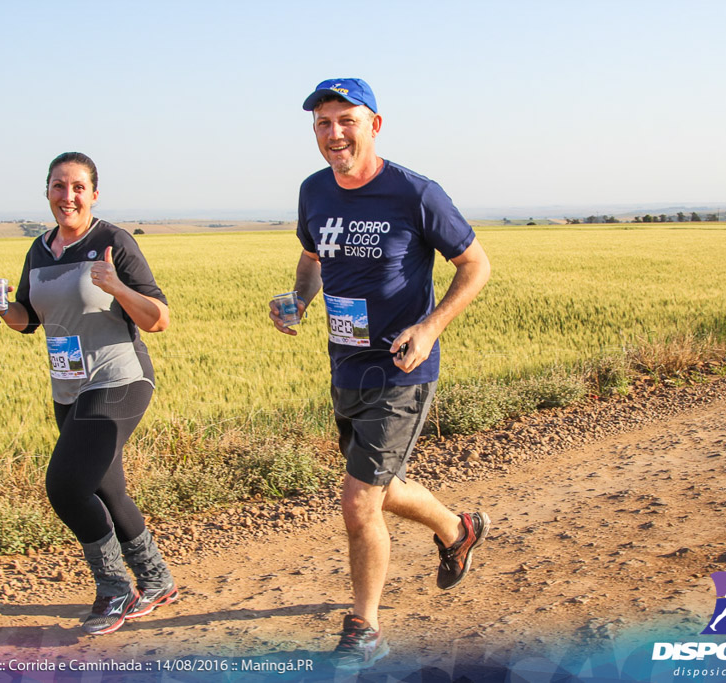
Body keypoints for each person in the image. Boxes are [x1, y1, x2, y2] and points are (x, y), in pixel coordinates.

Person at [269, 78, 492, 669]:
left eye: (346, 120)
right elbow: (314, 255)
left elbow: (476, 264)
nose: (334, 133)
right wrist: (298, 298)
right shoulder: (314, 191)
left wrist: (431, 326)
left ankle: (364, 628)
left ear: (375, 125)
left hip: (402, 369)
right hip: (345, 364)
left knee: (359, 499)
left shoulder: (415, 193)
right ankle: (457, 527)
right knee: (381, 485)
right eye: (323, 123)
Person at [0, 152, 177, 635]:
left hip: (119, 379)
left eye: (77, 187)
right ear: (47, 191)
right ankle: (157, 580)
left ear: (93, 194)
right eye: (58, 186)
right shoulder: (39, 250)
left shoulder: (114, 242)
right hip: (67, 386)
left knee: (66, 487)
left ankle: (114, 590)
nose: (67, 196)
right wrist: (2, 307)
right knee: (107, 487)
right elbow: (29, 318)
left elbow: (159, 319)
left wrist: (116, 286)